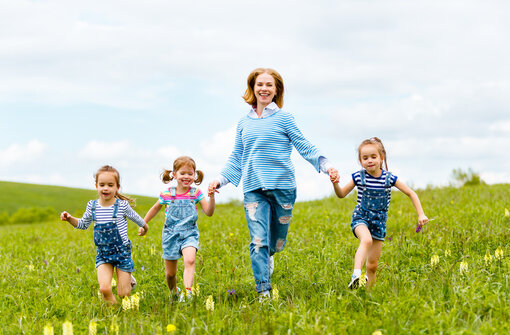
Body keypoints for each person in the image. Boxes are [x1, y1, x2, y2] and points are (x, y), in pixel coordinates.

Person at [208, 67, 338, 299]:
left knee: (276, 243)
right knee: (258, 241)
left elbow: (304, 146)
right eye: (260, 84)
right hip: (253, 189)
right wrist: (220, 180)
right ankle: (263, 290)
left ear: (276, 90)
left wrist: (326, 166)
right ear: (253, 88)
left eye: (269, 85)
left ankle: (269, 256)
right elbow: (237, 157)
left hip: (283, 188)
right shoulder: (243, 123)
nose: (264, 89)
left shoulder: (284, 118)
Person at [331, 137, 429, 290]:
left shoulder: (388, 178)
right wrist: (335, 183)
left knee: (372, 265)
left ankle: (368, 294)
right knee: (366, 240)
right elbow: (341, 194)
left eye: (373, 157)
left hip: (379, 223)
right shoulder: (358, 177)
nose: (369, 160)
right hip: (361, 218)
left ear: (381, 158)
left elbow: (411, 193)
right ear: (360, 161)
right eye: (365, 158)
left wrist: (421, 214)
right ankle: (356, 275)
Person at [61, 165, 148, 304]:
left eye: (110, 185)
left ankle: (128, 281)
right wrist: (70, 218)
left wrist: (145, 227)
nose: (105, 188)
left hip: (122, 253)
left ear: (117, 187)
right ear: (96, 186)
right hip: (103, 253)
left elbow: (139, 220)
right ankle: (115, 315)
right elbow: (83, 224)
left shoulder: (122, 206)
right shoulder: (92, 206)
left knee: (123, 295)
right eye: (102, 185)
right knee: (104, 289)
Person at [140, 156, 215, 302]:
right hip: (170, 235)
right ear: (174, 174)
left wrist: (211, 198)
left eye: (190, 174)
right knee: (170, 274)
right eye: (182, 173)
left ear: (195, 175)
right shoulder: (167, 194)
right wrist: (144, 223)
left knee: (190, 260)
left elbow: (209, 212)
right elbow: (155, 208)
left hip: (190, 233)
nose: (186, 177)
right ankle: (174, 291)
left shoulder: (196, 193)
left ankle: (187, 293)